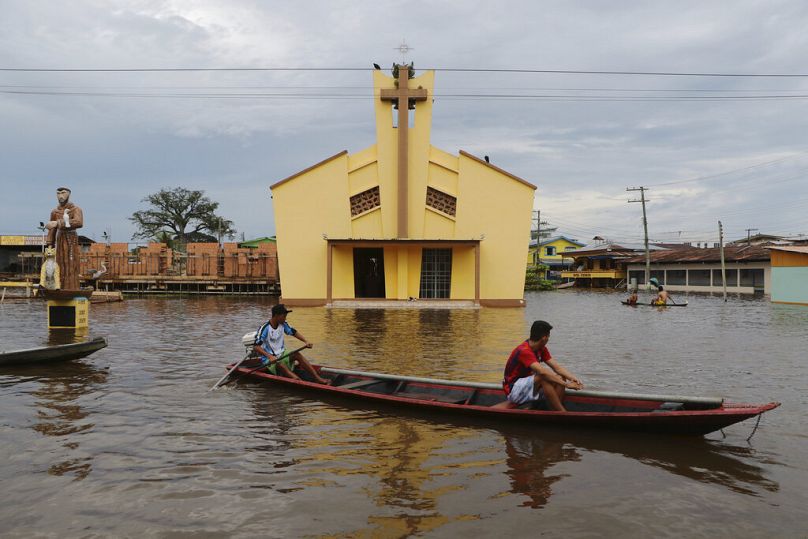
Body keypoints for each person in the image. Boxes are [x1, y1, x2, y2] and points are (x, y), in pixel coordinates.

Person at [493, 320, 583, 411]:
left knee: (561, 377)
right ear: (544, 338)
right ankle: (562, 413)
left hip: (528, 385)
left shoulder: (541, 349)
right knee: (543, 377)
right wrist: (567, 385)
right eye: (548, 336)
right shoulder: (524, 350)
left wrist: (573, 379)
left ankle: (554, 410)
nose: (548, 339)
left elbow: (557, 368)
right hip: (513, 389)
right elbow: (542, 372)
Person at [252, 304, 331, 385]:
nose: (285, 318)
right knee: (279, 363)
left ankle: (318, 379)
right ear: (276, 316)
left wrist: (306, 341)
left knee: (296, 354)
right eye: (284, 316)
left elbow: (293, 332)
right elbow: (256, 346)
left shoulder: (283, 324)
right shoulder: (265, 328)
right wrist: (270, 356)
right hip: (269, 360)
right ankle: (300, 382)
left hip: (282, 354)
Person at [44, 187, 84, 290]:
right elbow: (52, 230)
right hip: (60, 238)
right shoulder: (54, 212)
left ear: (69, 194)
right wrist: (49, 245)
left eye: (63, 193)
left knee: (71, 262)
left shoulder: (76, 209)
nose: (60, 195)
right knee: (59, 263)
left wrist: (58, 223)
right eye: (58, 193)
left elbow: (79, 222)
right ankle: (58, 287)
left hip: (71, 239)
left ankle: (71, 288)